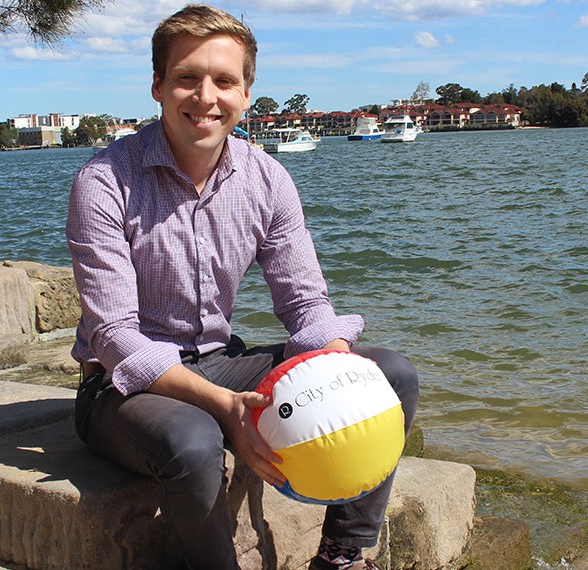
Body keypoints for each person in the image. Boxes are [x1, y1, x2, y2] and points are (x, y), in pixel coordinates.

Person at [66, 5, 419, 569]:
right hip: (120, 388)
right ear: (157, 86)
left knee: (389, 376)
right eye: (187, 77)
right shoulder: (106, 181)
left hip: (219, 361)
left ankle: (342, 554)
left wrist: (338, 366)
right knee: (194, 440)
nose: (205, 97)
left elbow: (305, 304)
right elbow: (113, 336)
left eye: (224, 81)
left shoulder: (267, 178)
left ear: (246, 94)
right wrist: (228, 411)